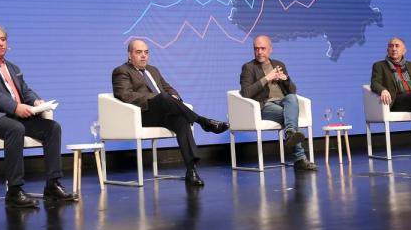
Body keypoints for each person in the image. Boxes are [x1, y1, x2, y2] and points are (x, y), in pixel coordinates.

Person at [0, 25, 77, 208]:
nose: (1, 43)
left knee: (52, 127)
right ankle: (14, 190)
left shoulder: (13, 67)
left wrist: (36, 102)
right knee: (16, 128)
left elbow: (24, 90)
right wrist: (14, 107)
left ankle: (53, 185)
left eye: (3, 39)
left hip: (14, 115)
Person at [111, 39, 229, 186]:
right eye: (139, 52)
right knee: (163, 97)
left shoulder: (153, 70)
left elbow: (168, 88)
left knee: (182, 120)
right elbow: (126, 95)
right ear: (130, 55)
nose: (143, 56)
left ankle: (191, 171)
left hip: (163, 112)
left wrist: (174, 96)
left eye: (146, 53)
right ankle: (203, 121)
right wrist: (158, 98)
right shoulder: (121, 71)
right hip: (143, 115)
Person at [239, 35, 317, 171]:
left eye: (263, 48)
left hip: (284, 101)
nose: (259, 52)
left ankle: (290, 133)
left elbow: (292, 90)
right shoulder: (248, 67)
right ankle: (299, 157)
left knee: (292, 98)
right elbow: (246, 92)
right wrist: (266, 78)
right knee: (289, 116)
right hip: (265, 105)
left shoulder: (278, 64)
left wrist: (285, 79)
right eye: (256, 49)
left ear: (270, 49)